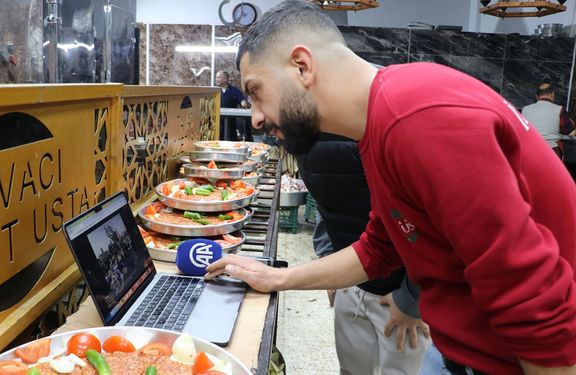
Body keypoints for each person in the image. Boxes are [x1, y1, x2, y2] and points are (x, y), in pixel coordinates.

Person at [205, 1, 576, 374]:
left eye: (256, 92)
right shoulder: (380, 126)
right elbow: (379, 248)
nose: (253, 118)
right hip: (464, 353)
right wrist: (278, 278)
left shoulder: (414, 116)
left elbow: (533, 301)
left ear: (302, 65)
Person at [298, 132, 431, 374]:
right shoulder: (306, 134)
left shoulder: (388, 128)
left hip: (402, 293)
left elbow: (432, 222)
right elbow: (324, 201)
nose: (257, 119)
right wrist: (330, 261)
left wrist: (412, 299)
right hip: (352, 283)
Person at [521, 82, 576, 158]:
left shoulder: (525, 109)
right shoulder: (559, 110)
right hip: (551, 152)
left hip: (529, 150)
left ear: (537, 96)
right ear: (552, 94)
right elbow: (572, 133)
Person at [215, 70, 250, 141]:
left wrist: (244, 103)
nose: (216, 79)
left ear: (225, 79)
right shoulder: (214, 90)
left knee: (231, 141)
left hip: (231, 123)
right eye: (216, 77)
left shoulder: (234, 90)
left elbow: (242, 101)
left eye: (218, 77)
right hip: (217, 123)